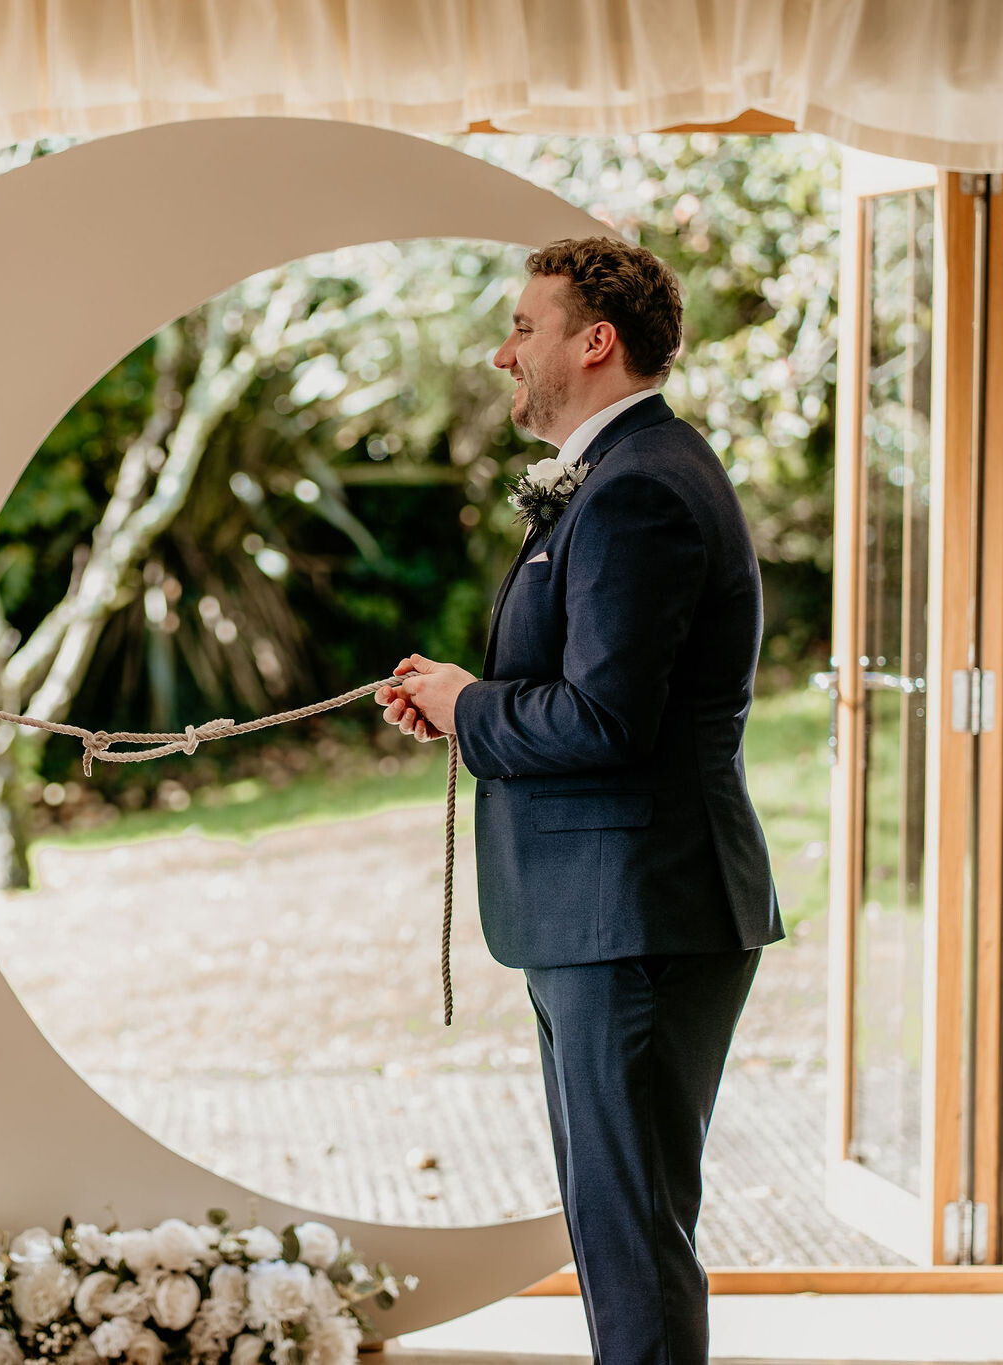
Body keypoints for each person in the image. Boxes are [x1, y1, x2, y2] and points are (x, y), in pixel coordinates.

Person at [380, 236, 783, 1365]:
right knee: (621, 1229)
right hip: (610, 912)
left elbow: (608, 723)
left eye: (521, 326)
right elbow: (590, 693)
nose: (500, 352)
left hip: (637, 915)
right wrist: (465, 704)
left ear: (592, 341)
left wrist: (472, 709)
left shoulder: (640, 488)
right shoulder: (623, 474)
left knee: (629, 1238)